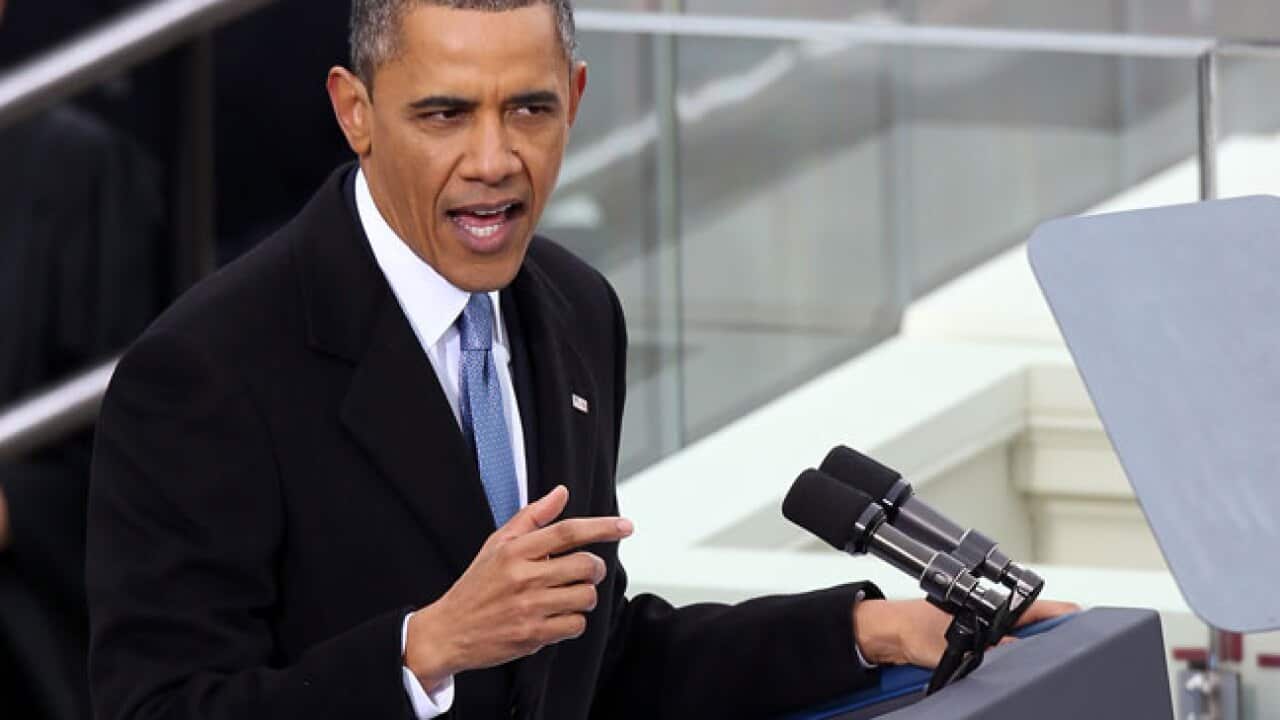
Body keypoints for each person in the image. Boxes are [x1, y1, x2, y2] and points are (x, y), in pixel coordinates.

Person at [86, 2, 1076, 719]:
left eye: (528, 109)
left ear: (577, 97)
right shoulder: (208, 371)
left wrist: (865, 633)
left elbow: (591, 666)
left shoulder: (572, 309)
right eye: (443, 114)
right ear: (355, 111)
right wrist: (421, 651)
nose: (492, 157)